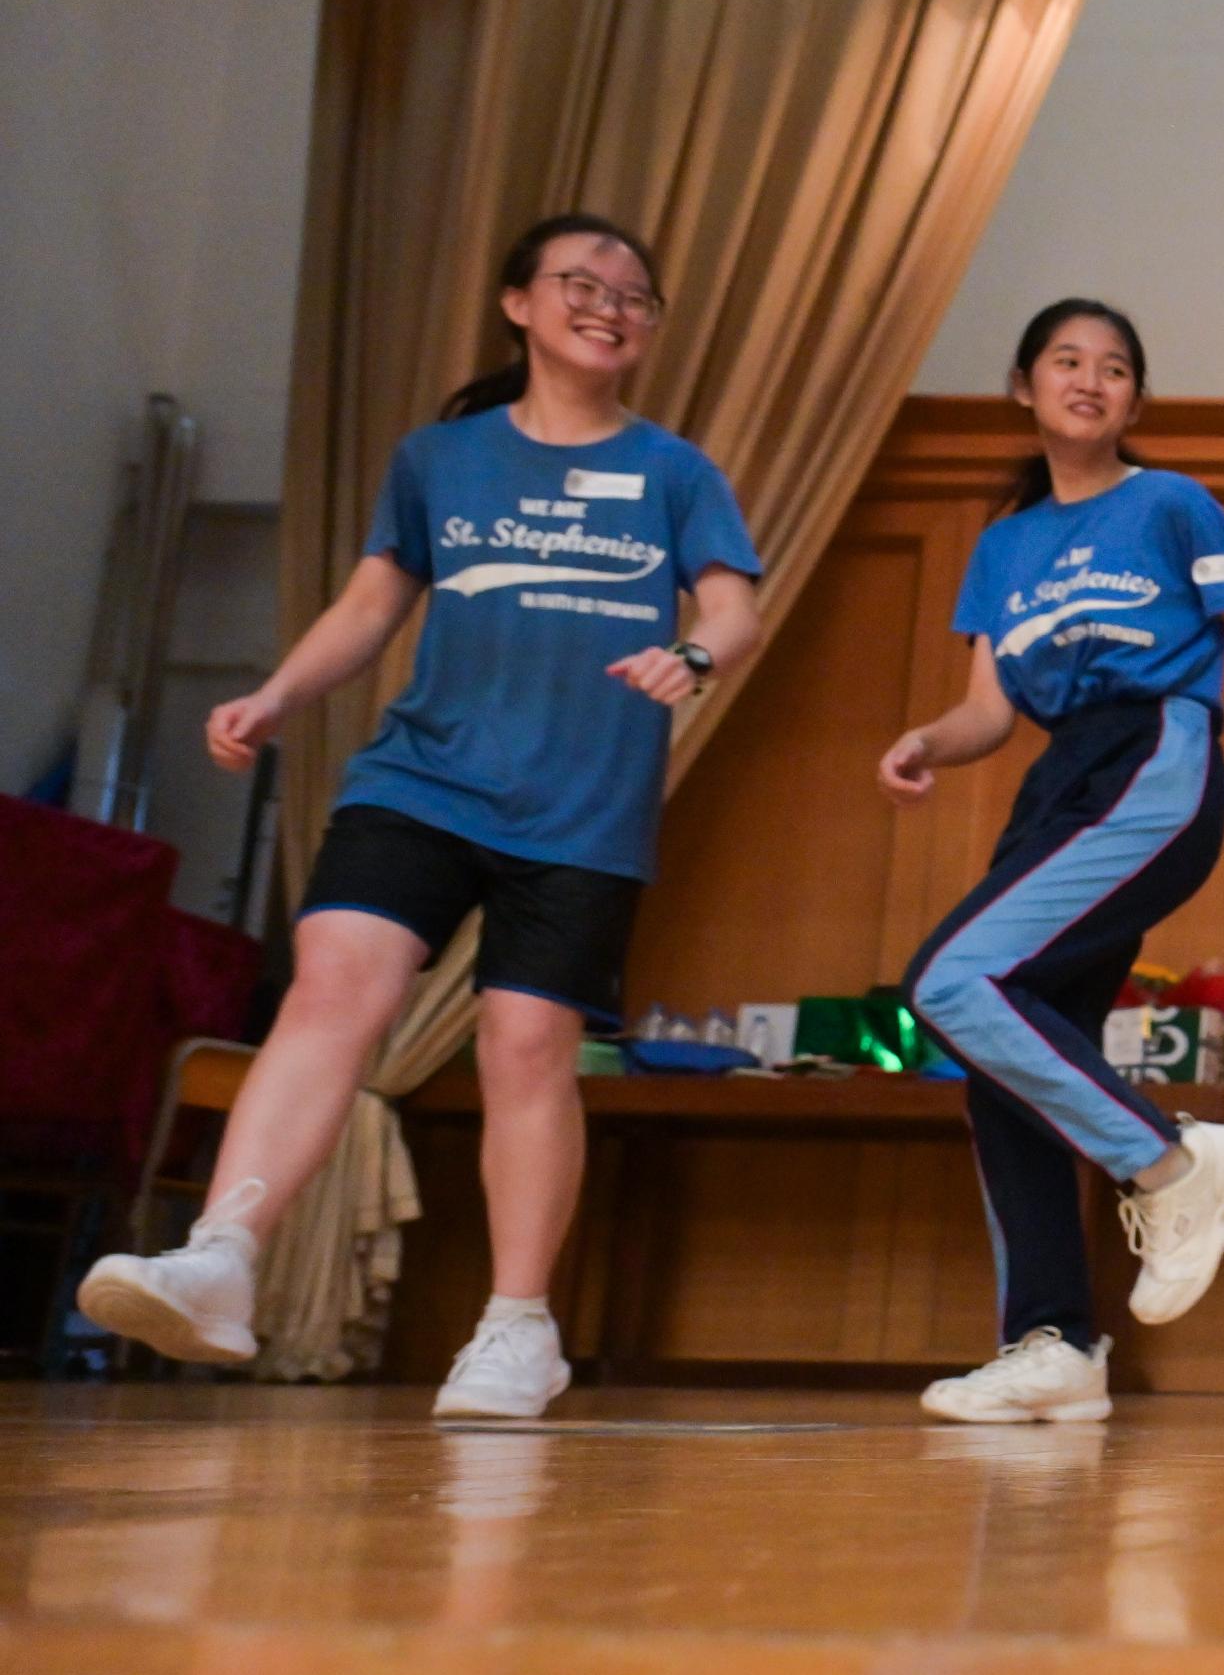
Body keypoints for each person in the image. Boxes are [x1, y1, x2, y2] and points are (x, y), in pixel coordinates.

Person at [80, 213, 765, 1419]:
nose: (610, 303)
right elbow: (367, 606)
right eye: (582, 282)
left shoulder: (673, 470)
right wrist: (277, 693)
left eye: (635, 296)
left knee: (525, 1046)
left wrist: (691, 663)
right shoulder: (440, 459)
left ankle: (517, 1326)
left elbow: (731, 606)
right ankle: (225, 1258)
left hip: (580, 809)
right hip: (422, 779)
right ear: (518, 302)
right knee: (332, 983)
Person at [881, 299, 1224, 1425]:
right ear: (1025, 386)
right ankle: (1053, 1346)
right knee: (1001, 1062)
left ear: (1134, 403)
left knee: (948, 979)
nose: (1090, 381)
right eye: (1067, 361)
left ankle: (1167, 1159)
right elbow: (986, 709)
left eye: (1115, 369)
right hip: (1055, 782)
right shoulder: (1002, 546)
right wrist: (926, 740)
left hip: (1157, 755)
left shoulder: (1169, 504)